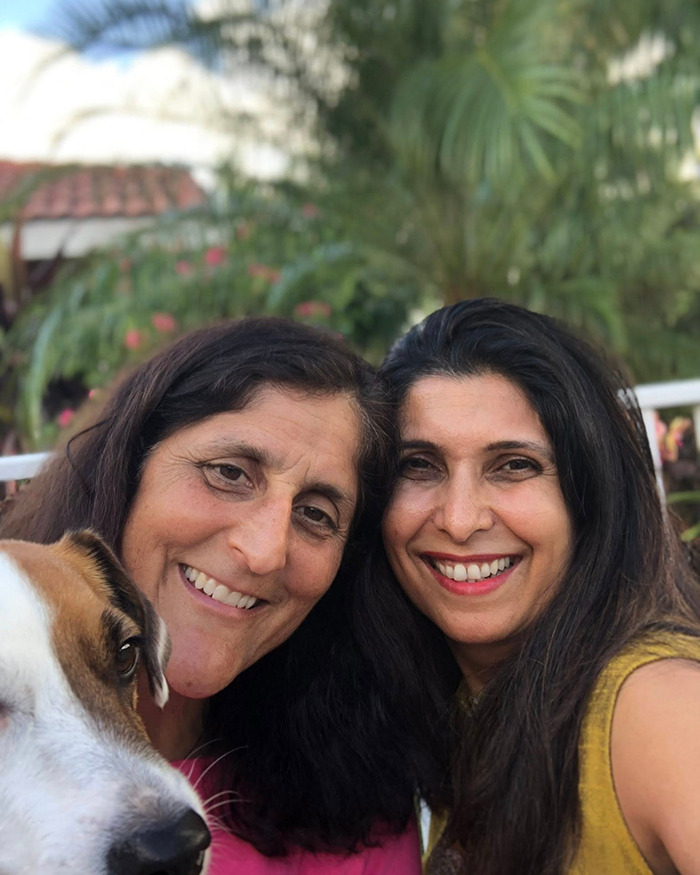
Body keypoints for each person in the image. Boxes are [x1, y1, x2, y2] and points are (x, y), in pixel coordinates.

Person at [0, 317, 421, 874]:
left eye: (316, 513)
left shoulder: (359, 811)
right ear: (130, 463)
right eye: (228, 472)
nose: (265, 551)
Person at [368, 298, 700, 875]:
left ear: (588, 495)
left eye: (514, 465)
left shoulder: (656, 708)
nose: (460, 518)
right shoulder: (458, 710)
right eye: (418, 465)